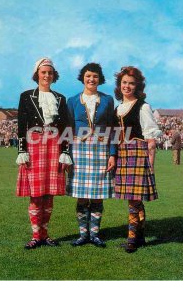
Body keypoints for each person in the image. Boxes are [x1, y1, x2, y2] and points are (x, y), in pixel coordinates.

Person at [16, 57, 70, 249]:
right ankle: (36, 235)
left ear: (54, 76)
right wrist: (22, 151)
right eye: (43, 72)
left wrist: (65, 152)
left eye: (50, 72)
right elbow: (22, 126)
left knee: (49, 194)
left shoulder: (61, 98)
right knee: (35, 194)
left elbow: (65, 128)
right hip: (34, 146)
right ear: (37, 74)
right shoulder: (26, 96)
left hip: (55, 146)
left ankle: (45, 234)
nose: (47, 75)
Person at [67, 63, 116, 248]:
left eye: (95, 76)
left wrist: (112, 154)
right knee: (81, 196)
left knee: (97, 195)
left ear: (99, 79)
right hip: (79, 151)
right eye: (88, 76)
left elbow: (112, 129)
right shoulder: (72, 101)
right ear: (83, 77)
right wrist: (67, 155)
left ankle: (95, 234)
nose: (91, 79)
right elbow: (68, 129)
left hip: (101, 150)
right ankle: (82, 234)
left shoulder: (107, 100)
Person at [114, 66, 162, 253]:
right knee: (133, 199)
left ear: (137, 86)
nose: (127, 86)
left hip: (137, 153)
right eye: (124, 82)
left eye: (131, 83)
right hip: (123, 154)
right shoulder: (117, 108)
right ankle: (140, 236)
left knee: (134, 199)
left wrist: (151, 162)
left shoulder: (143, 107)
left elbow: (151, 139)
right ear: (120, 84)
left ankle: (132, 238)